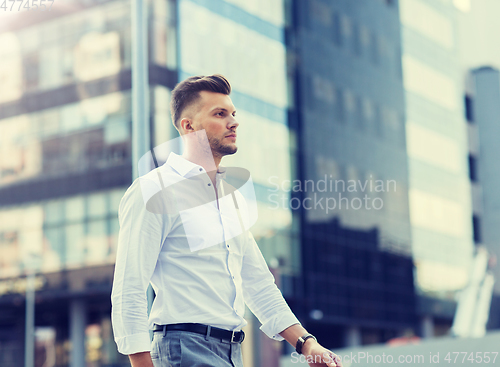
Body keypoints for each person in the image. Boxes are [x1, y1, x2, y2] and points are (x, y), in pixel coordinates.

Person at [110, 74, 342, 367]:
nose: (234, 122)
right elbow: (128, 287)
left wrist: (307, 343)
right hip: (183, 349)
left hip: (232, 351)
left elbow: (258, 283)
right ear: (188, 126)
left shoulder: (232, 198)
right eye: (220, 114)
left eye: (233, 114)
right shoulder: (154, 190)